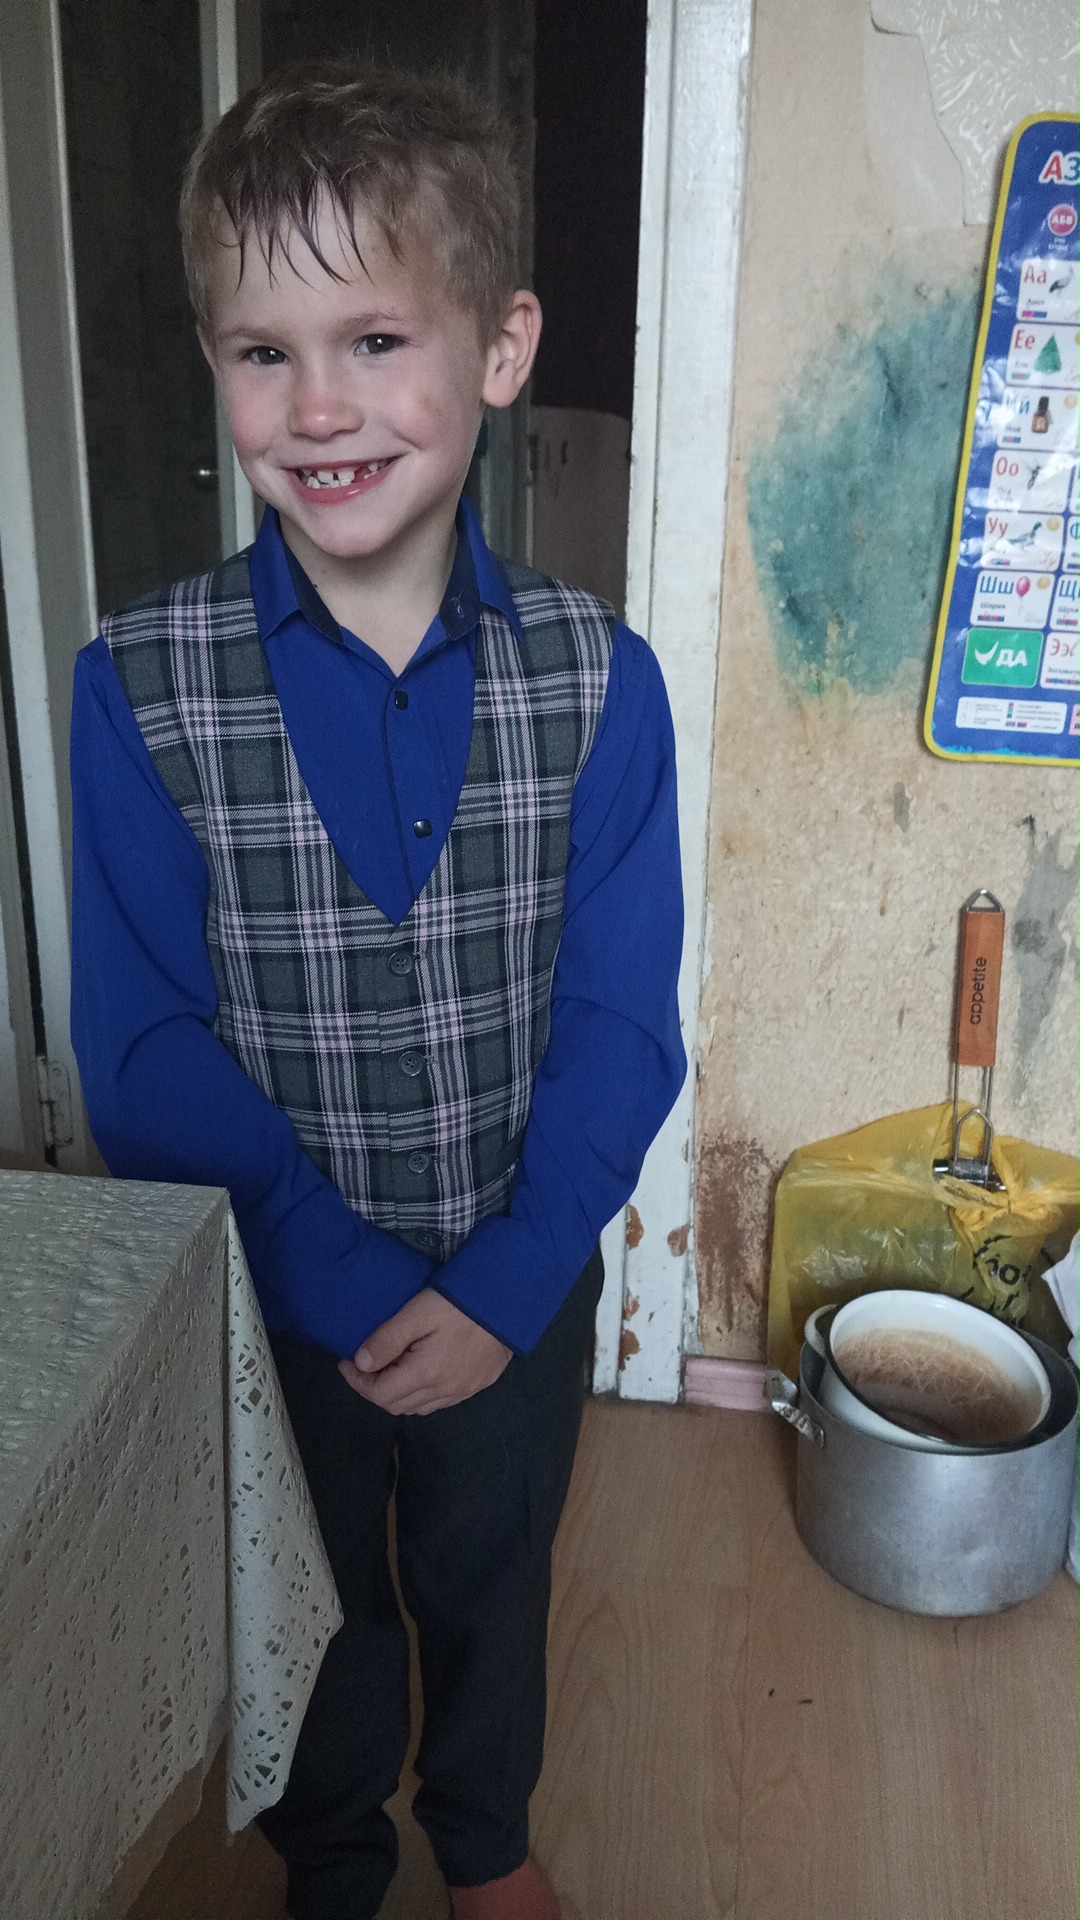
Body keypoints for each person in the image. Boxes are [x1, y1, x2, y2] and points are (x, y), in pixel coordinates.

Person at [70, 59, 684, 1920]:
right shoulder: (136, 685)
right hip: (276, 1303)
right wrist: (338, 1284)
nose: (318, 406)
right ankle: (330, 1859)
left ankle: (482, 1837)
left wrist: (507, 1283)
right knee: (310, 1596)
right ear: (214, 362)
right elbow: (142, 1049)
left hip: (517, 1282)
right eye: (264, 353)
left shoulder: (604, 682)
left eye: (375, 339)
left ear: (502, 349)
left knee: (495, 1569)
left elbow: (622, 1023)